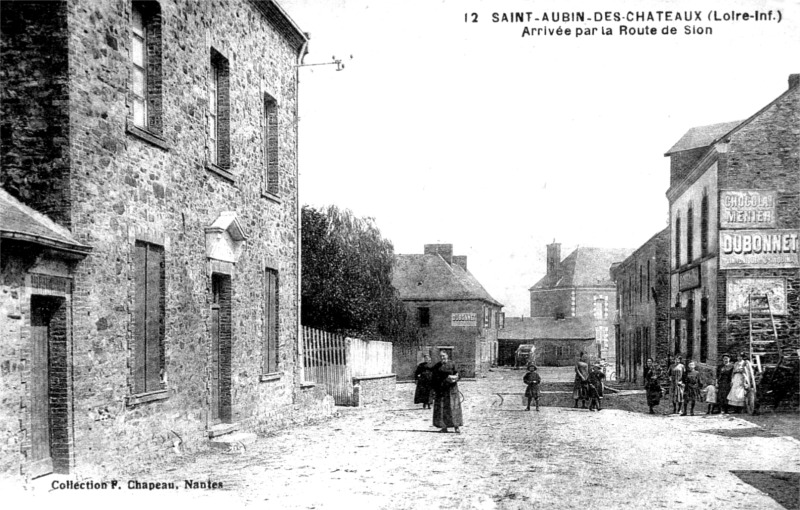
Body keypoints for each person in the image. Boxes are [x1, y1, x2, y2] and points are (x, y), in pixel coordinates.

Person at [431, 351, 463, 433]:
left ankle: (456, 427)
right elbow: (433, 378)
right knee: (442, 409)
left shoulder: (452, 364)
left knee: (453, 408)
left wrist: (455, 377)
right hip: (441, 390)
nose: (442, 358)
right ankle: (444, 427)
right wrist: (434, 390)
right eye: (441, 356)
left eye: (444, 356)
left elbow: (458, 374)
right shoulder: (437, 366)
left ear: (447, 356)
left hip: (452, 390)